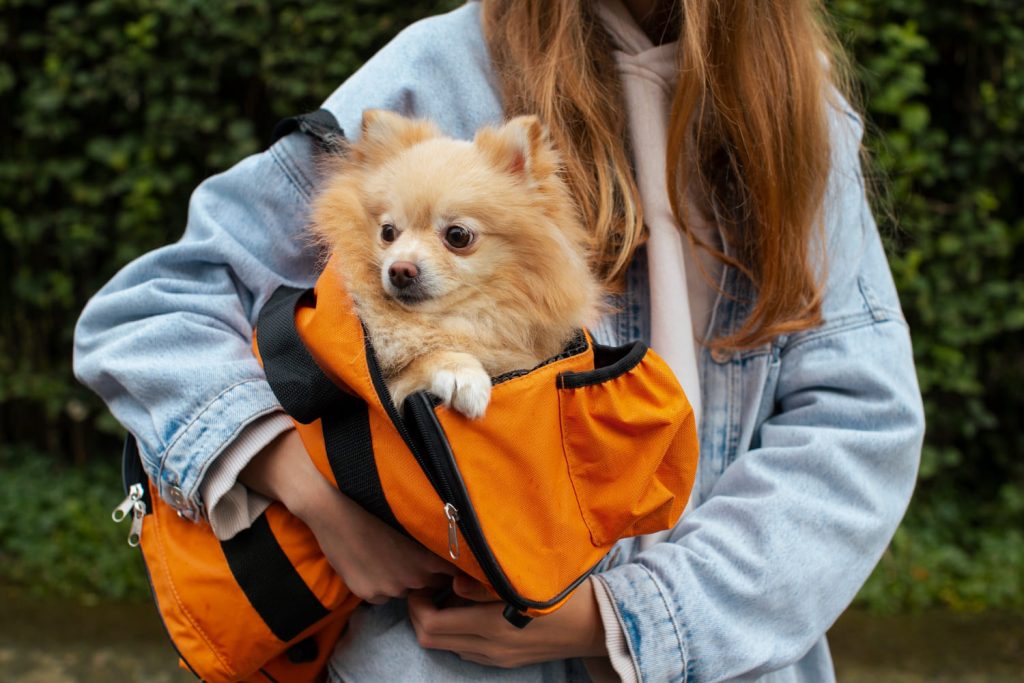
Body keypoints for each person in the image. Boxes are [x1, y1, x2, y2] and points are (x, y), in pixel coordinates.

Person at [73, 0, 925, 680]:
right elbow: (158, 308)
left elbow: (855, 428)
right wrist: (317, 497)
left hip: (725, 656)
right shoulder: (438, 70)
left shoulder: (802, 118)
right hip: (437, 657)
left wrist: (627, 619)